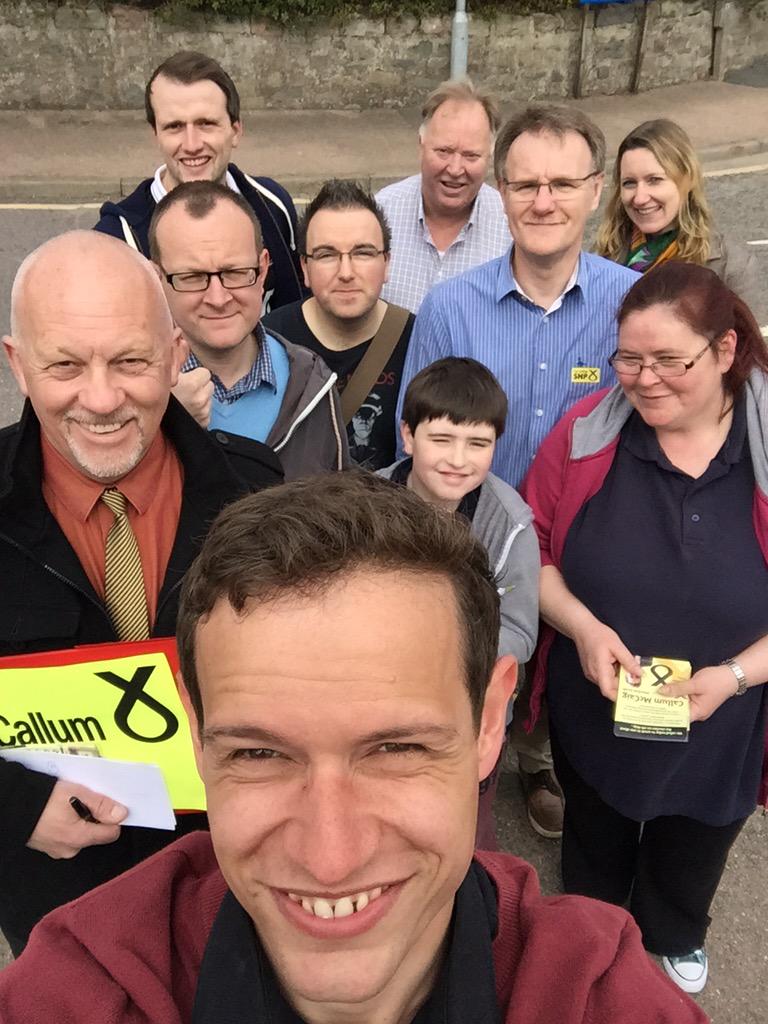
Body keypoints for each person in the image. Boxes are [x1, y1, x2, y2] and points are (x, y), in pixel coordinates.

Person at [0, 473, 708, 1024]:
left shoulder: (598, 994)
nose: (329, 858)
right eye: (258, 755)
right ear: (196, 732)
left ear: (491, 721)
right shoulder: (81, 986)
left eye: (396, 749)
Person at [0, 230, 281, 956]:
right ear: (18, 365)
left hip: (233, 893)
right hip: (57, 910)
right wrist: (12, 805)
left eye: (130, 361)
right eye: (65, 365)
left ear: (174, 353)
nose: (101, 399)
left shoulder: (261, 495)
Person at [521, 260, 768, 994]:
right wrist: (582, 628)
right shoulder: (585, 432)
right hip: (596, 703)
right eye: (628, 359)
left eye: (668, 360)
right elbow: (532, 550)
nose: (644, 379)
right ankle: (592, 926)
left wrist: (734, 676)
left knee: (697, 837)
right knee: (593, 823)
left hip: (725, 717)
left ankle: (675, 928)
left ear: (724, 350)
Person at [398, 105, 638, 840]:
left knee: (572, 673)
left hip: (588, 543)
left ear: (595, 190)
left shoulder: (631, 307)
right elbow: (420, 432)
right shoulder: (449, 307)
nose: (543, 201)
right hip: (478, 538)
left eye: (562, 184)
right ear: (499, 191)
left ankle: (541, 762)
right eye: (527, 184)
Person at [379, 357, 540, 849]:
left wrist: (443, 650)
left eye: (477, 443)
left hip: (466, 716)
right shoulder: (363, 504)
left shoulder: (509, 524)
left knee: (465, 831)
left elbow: (520, 631)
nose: (458, 459)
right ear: (408, 436)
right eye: (442, 439)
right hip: (379, 701)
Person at [149, 180, 349, 480]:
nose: (218, 298)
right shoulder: (127, 392)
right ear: (156, 278)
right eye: (192, 277)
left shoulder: (312, 384)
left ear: (263, 269)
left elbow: (341, 503)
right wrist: (161, 420)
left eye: (235, 273)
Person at [94, 50, 304, 312]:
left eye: (206, 123)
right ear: (156, 134)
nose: (192, 145)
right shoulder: (116, 241)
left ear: (235, 130)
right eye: (174, 126)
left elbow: (291, 311)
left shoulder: (273, 205)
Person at [264, 179, 414, 470]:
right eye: (327, 255)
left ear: (387, 263)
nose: (346, 272)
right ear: (304, 268)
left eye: (363, 253)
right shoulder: (269, 341)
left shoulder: (417, 340)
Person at [595, 119, 764, 325]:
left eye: (654, 180)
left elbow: (747, 344)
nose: (639, 198)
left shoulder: (730, 266)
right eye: (629, 183)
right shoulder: (605, 256)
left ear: (687, 180)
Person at [375, 79, 511, 313]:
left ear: (490, 157)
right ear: (421, 146)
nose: (455, 169)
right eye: (444, 151)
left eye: (471, 156)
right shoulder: (380, 214)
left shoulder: (511, 227)